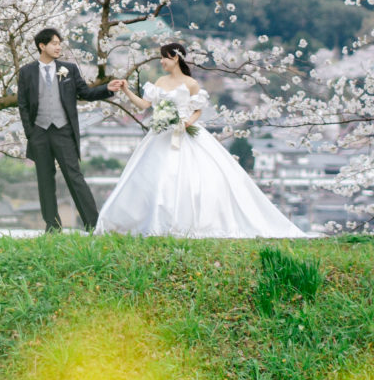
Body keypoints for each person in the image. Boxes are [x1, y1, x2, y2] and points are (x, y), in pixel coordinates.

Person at [99, 42, 305, 238]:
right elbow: (144, 105)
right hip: (161, 134)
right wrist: (125, 90)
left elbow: (198, 110)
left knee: (189, 178)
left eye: (164, 58)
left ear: (175, 58)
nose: (161, 62)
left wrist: (186, 122)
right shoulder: (160, 82)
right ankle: (151, 221)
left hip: (184, 132)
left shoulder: (191, 84)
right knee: (155, 177)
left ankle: (187, 222)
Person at [16, 28, 114, 232]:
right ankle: (53, 227)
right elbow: (23, 105)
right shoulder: (26, 72)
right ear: (42, 46)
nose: (58, 46)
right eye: (54, 43)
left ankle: (93, 225)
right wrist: (31, 134)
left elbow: (85, 93)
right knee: (45, 180)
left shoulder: (69, 69)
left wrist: (107, 89)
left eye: (59, 43)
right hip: (39, 133)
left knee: (74, 177)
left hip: (63, 131)